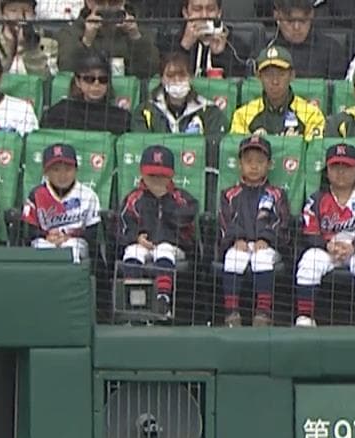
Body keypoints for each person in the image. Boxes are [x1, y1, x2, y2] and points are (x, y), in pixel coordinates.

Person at [296, 143, 355, 328]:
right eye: (335, 167)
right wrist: (327, 245)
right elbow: (308, 233)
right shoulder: (316, 199)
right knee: (309, 261)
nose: (340, 172)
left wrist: (354, 246)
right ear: (326, 170)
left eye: (346, 167)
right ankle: (305, 316)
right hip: (328, 248)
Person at [215, 133, 291, 327]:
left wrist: (266, 239)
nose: (254, 166)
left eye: (260, 161)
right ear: (240, 164)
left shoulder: (277, 194)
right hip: (239, 244)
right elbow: (225, 221)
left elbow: (282, 222)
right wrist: (237, 239)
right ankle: (232, 313)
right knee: (233, 258)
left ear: (270, 164)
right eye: (248, 161)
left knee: (262, 258)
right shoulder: (229, 194)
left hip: (267, 246)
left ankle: (263, 313)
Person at [116, 145, 199, 323]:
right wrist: (137, 238)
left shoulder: (181, 198)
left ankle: (163, 299)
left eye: (162, 176)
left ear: (171, 175)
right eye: (152, 175)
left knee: (163, 249)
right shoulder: (133, 198)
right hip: (143, 245)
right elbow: (123, 226)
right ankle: (134, 305)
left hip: (174, 246)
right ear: (142, 173)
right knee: (132, 252)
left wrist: (165, 200)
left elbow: (185, 223)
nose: (157, 180)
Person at [21, 141, 100, 264]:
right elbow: (28, 230)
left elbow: (93, 232)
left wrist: (69, 236)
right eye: (56, 170)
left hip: (76, 242)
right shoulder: (36, 195)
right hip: (45, 241)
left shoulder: (88, 195)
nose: (62, 175)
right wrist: (46, 235)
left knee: (71, 248)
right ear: (46, 172)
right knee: (43, 248)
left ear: (76, 169)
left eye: (68, 169)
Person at [230, 45, 326, 138]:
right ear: (259, 76)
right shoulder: (242, 115)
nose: (275, 81)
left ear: (292, 75)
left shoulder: (311, 114)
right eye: (268, 75)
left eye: (281, 74)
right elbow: (237, 151)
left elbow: (313, 152)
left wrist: (294, 145)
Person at [54, 0, 157, 79]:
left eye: (114, 2)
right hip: (87, 95)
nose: (107, 7)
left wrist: (135, 36)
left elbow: (151, 71)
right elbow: (66, 70)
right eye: (100, 2)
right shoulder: (71, 32)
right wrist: (87, 40)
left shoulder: (139, 31)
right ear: (89, 2)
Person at [137, 49, 227, 133]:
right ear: (162, 79)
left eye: (182, 75)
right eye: (170, 75)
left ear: (191, 78)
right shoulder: (144, 112)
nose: (176, 80)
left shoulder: (210, 112)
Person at [41, 52, 134, 133]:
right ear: (78, 82)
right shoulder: (58, 114)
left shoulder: (121, 118)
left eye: (103, 79)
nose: (96, 84)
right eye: (89, 79)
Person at [165, 0, 253, 78]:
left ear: (219, 13)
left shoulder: (236, 45)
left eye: (210, 9)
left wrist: (220, 55)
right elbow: (168, 77)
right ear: (185, 13)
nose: (204, 15)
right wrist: (184, 47)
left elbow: (239, 83)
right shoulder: (171, 42)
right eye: (197, 9)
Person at [262, 0, 349, 78]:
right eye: (290, 21)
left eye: (303, 21)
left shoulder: (332, 49)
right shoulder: (265, 49)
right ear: (277, 15)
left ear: (312, 14)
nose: (297, 27)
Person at [0, 0, 59, 77]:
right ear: (3, 15)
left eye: (26, 11)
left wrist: (31, 49)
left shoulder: (50, 44)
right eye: (13, 11)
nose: (20, 17)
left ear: (34, 15)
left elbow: (48, 79)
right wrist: (9, 49)